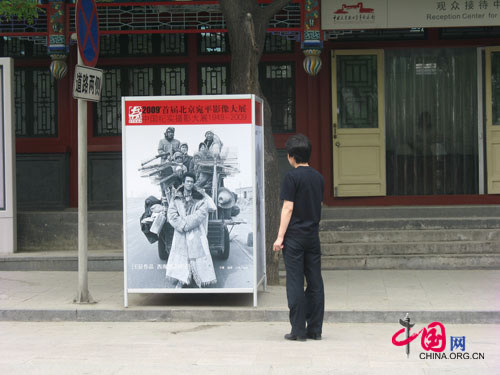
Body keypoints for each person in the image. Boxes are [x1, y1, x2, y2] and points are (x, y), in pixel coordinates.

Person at [273, 134, 325, 342]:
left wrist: (279, 237)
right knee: (315, 282)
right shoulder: (318, 177)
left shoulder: (291, 177)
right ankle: (315, 330)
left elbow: (288, 208)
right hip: (312, 236)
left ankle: (298, 330)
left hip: (294, 237)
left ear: (292, 157)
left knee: (294, 281)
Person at [165, 172, 217, 288]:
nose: (189, 183)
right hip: (180, 232)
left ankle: (199, 279)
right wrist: (181, 225)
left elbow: (201, 214)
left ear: (194, 183)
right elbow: (171, 214)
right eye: (187, 181)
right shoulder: (176, 197)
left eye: (192, 182)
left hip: (196, 231)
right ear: (183, 182)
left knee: (198, 255)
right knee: (181, 256)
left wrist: (186, 224)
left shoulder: (200, 197)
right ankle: (181, 280)